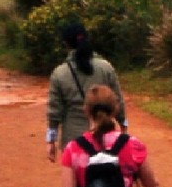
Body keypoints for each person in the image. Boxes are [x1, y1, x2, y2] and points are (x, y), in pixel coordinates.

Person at [46, 22, 126, 163]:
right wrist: (124, 127)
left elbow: (54, 111)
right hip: (105, 136)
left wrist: (51, 140)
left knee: (77, 181)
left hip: (74, 139)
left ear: (66, 44)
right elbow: (118, 100)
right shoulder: (106, 68)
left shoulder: (59, 73)